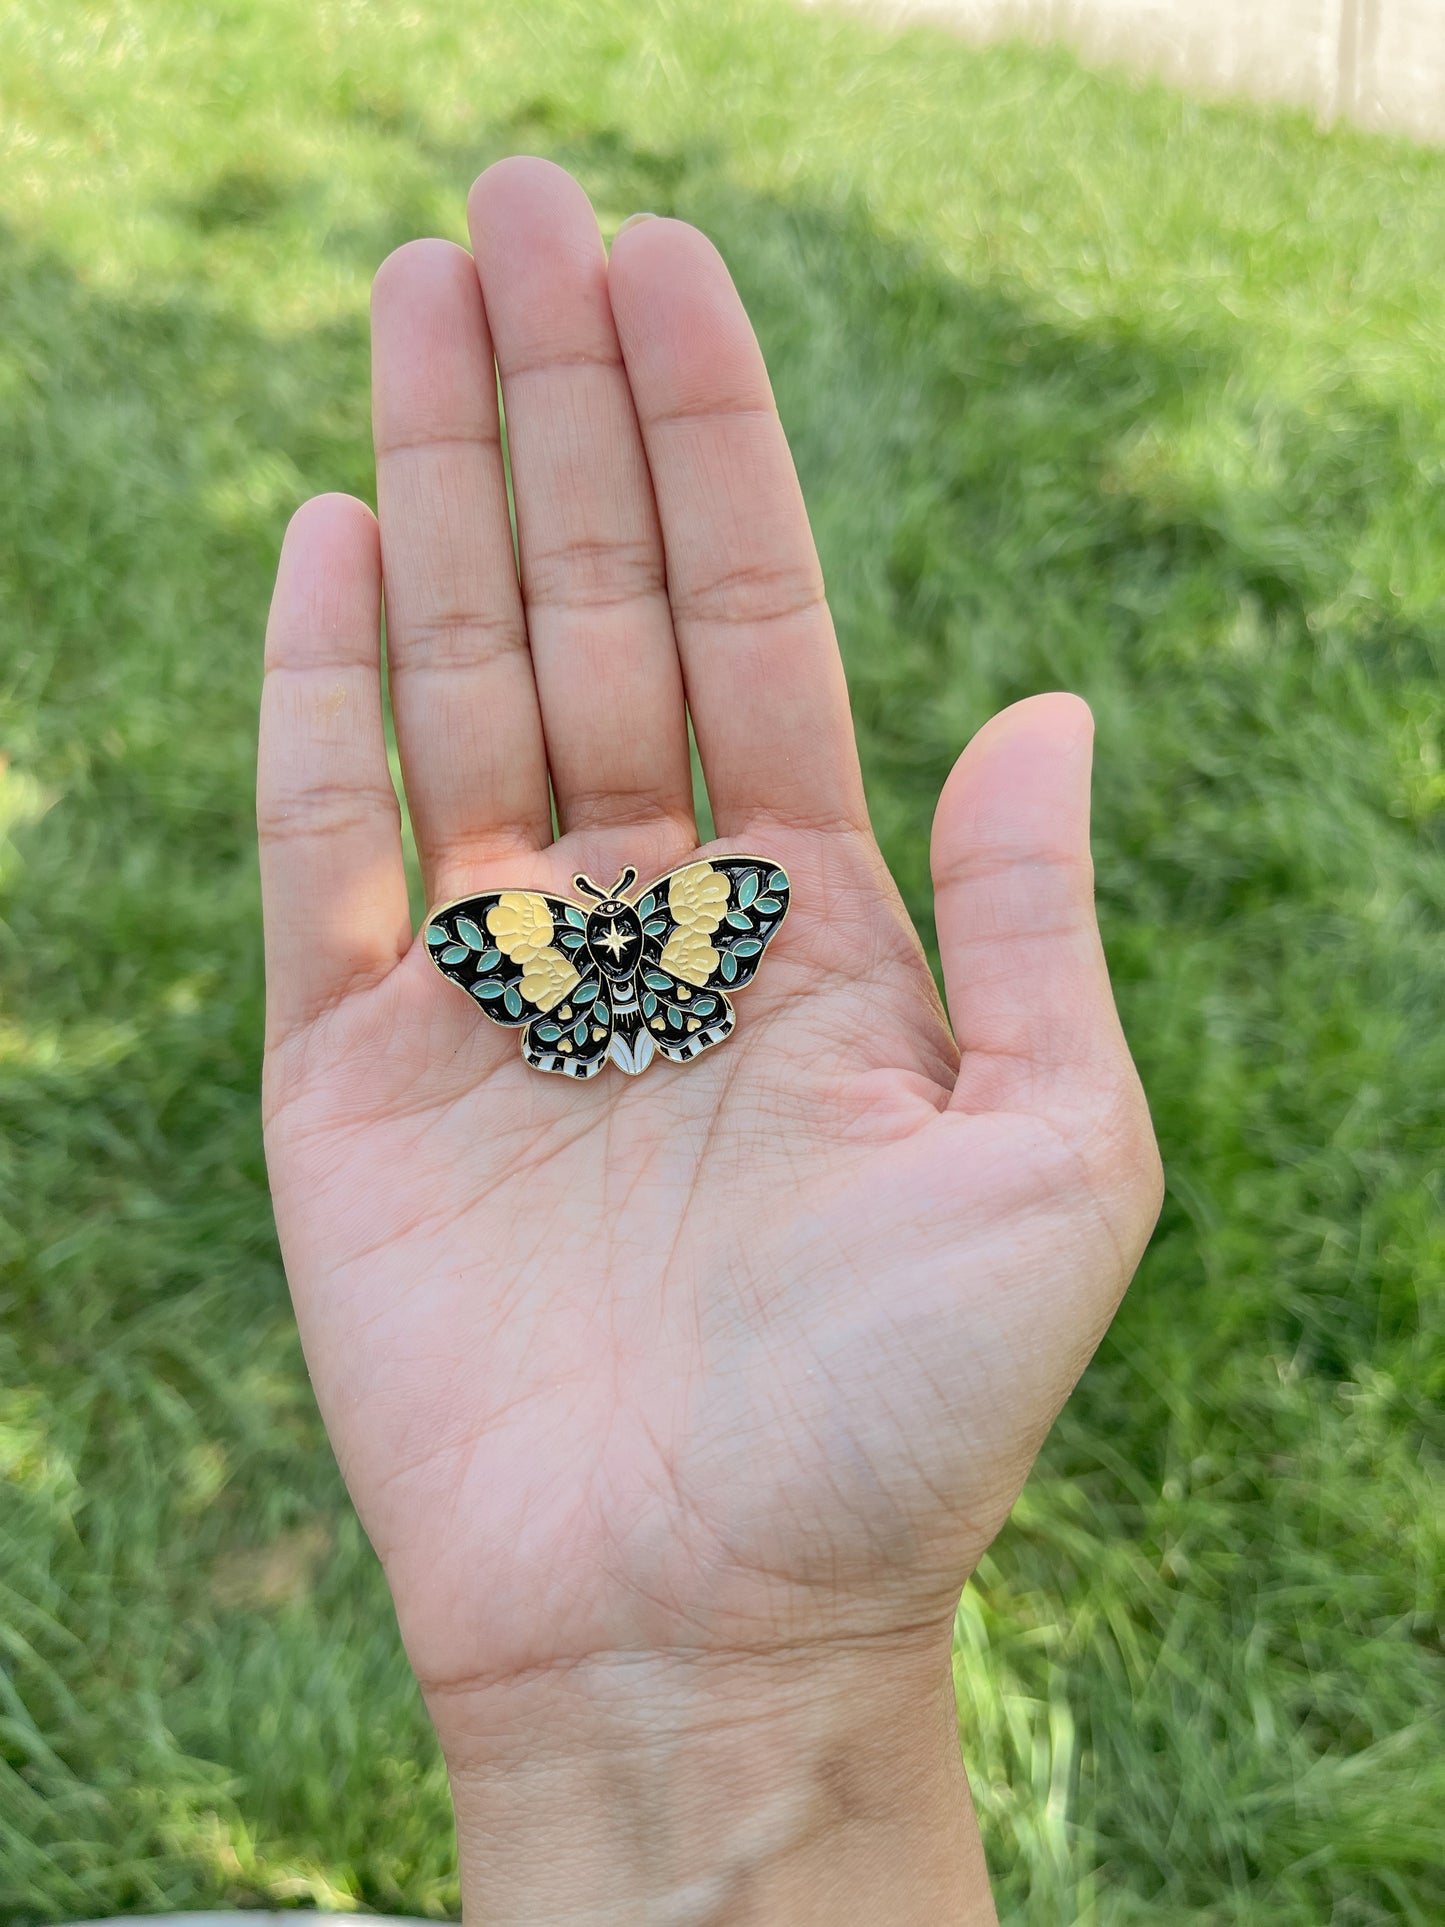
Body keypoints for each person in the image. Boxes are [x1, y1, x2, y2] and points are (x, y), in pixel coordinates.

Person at [257, 156, 1163, 1924]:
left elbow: (530, 951)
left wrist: (769, 1658)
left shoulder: (560, 944)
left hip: (612, 997)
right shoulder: (674, 931)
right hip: (648, 992)